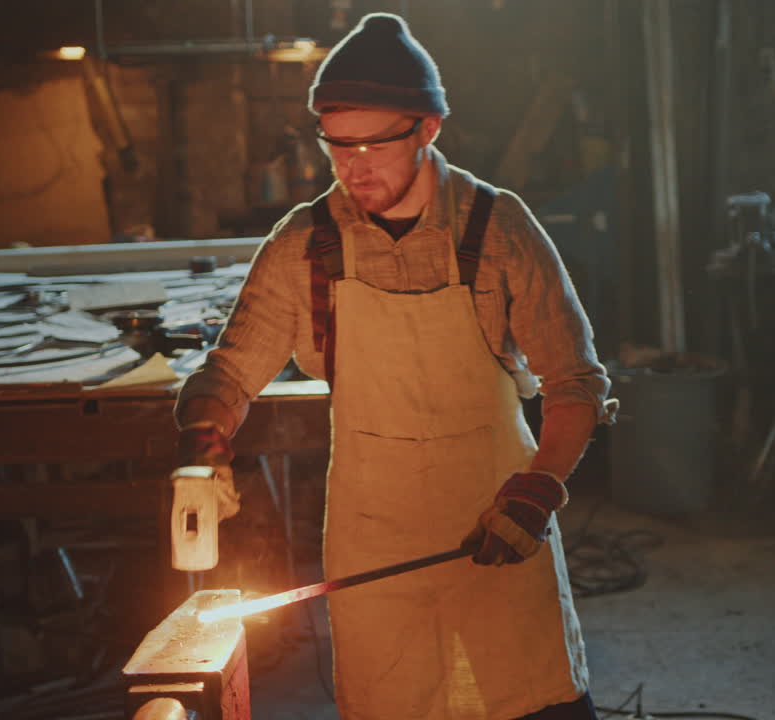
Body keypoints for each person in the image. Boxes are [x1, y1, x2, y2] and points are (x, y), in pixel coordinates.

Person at [174, 12, 613, 720]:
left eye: (374, 145)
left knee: (530, 700)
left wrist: (537, 492)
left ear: (428, 129)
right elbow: (228, 373)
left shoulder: (499, 231)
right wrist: (201, 449)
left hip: (499, 512)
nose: (354, 167)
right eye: (337, 146)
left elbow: (576, 385)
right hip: (372, 528)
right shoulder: (304, 245)